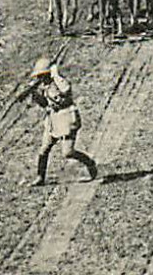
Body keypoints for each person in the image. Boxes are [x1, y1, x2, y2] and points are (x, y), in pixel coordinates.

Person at [18, 56, 97, 187]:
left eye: (43, 75)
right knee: (44, 149)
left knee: (68, 152)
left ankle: (89, 163)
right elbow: (45, 104)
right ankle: (40, 177)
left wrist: (56, 76)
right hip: (53, 120)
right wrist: (34, 95)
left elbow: (66, 91)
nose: (41, 78)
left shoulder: (60, 82)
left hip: (66, 118)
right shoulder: (44, 87)